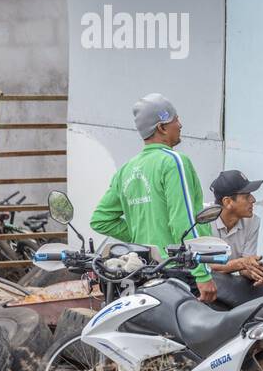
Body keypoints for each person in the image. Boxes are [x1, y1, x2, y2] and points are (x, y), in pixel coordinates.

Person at [89, 94, 217, 303]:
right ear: (162, 127)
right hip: (177, 272)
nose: (180, 124)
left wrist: (143, 238)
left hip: (142, 272)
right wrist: (202, 274)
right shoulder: (174, 162)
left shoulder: (126, 170)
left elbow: (100, 219)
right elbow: (182, 221)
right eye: (176, 119)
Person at [208, 169, 263, 299]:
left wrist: (255, 271)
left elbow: (244, 266)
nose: (253, 200)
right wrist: (242, 263)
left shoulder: (252, 221)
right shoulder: (204, 219)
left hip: (225, 281)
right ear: (228, 202)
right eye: (247, 196)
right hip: (203, 282)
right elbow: (202, 265)